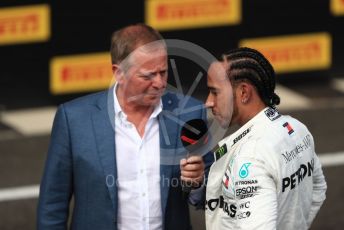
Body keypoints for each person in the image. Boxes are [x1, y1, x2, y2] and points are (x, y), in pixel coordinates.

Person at [37, 23, 213, 230]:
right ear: (118, 73)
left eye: (163, 72)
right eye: (147, 75)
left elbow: (210, 193)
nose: (159, 83)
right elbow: (52, 204)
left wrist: (198, 182)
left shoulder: (190, 114)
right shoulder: (74, 119)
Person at [204, 47, 327, 229]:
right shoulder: (297, 128)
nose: (208, 101)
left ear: (244, 93)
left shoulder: (250, 157)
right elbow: (319, 189)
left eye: (215, 92)